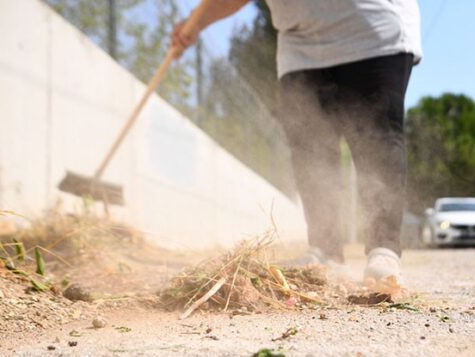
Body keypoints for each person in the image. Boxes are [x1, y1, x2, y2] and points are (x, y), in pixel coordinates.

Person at [172, 0, 422, 288]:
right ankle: (325, 252)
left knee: (377, 138)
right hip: (300, 42)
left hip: (371, 28)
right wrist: (196, 23)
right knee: (310, 147)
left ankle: (384, 250)